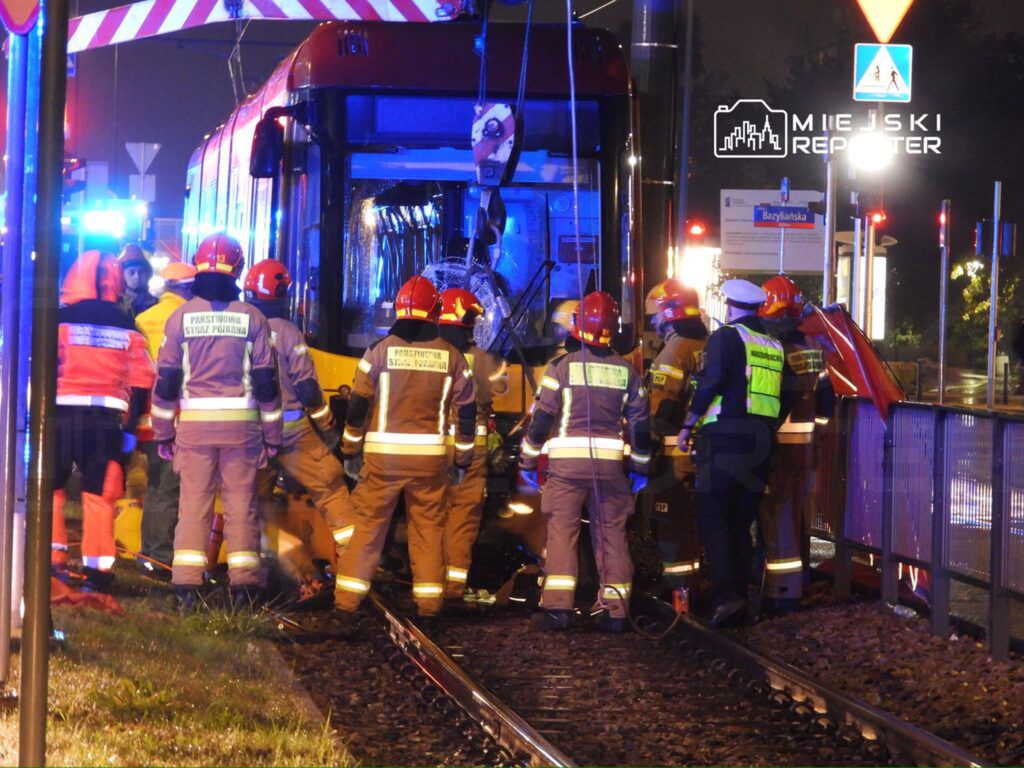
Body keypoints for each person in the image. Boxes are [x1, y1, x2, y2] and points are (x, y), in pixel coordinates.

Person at [151, 233, 283, 609]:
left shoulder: (179, 319)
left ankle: (186, 590)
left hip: (193, 429)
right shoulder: (253, 319)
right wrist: (272, 435)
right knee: (242, 507)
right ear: (237, 268)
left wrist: (162, 432)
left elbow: (166, 383)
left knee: (193, 506)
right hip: (243, 430)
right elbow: (266, 384)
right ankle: (243, 589)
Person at [334, 276, 476, 619]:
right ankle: (429, 607)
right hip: (430, 464)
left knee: (367, 530)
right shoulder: (454, 358)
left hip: (382, 461)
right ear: (435, 312)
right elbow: (467, 414)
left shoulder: (378, 352)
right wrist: (462, 460)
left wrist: (350, 450)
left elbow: (357, 406)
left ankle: (345, 605)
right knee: (428, 531)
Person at [519, 291, 652, 633]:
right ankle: (616, 611)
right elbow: (640, 426)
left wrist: (528, 460)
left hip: (566, 470)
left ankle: (558, 610)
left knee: (563, 532)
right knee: (612, 535)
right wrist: (639, 469)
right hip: (611, 470)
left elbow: (542, 419)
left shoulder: (560, 368)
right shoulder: (627, 372)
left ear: (578, 325)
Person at [676, 279, 784, 627]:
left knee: (714, 519)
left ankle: (726, 598)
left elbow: (711, 382)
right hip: (761, 441)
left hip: (726, 439)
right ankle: (743, 597)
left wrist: (687, 424)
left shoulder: (727, 337)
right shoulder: (772, 345)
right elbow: (787, 395)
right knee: (741, 523)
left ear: (731, 307)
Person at [242, 259, 350, 600]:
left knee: (252, 507)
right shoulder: (289, 333)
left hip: (252, 435)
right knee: (332, 492)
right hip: (294, 433)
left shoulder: (239, 329)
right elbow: (307, 388)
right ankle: (354, 573)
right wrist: (329, 430)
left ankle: (261, 579)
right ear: (284, 295)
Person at [52, 251, 156, 591]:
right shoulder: (127, 324)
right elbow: (142, 380)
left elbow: (37, 367)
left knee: (50, 490)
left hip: (58, 418)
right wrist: (131, 430)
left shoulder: (57, 319)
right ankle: (97, 572)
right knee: (100, 494)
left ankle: (52, 563)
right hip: (106, 423)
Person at [758, 275, 831, 614]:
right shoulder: (812, 346)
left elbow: (775, 399)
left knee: (777, 516)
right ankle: (798, 581)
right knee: (796, 515)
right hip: (805, 447)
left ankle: (781, 592)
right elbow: (826, 400)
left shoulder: (776, 348)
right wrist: (815, 435)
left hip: (780, 447)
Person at [643, 279, 708, 591]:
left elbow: (663, 408)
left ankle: (677, 588)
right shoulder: (708, 344)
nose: (653, 323)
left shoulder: (674, 350)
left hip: (675, 453)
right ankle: (693, 584)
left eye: (655, 316)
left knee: (671, 522)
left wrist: (648, 448)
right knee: (695, 520)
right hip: (705, 449)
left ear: (667, 313)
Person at [133, 261, 196, 575]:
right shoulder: (190, 319)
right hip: (178, 417)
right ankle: (157, 556)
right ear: (186, 288)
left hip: (147, 417)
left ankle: (152, 552)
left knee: (157, 486)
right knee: (169, 490)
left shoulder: (143, 319)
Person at [437, 287, 497, 599]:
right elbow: (491, 394)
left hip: (431, 449)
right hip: (470, 450)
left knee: (429, 515)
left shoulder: (430, 354)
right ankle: (454, 587)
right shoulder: (483, 360)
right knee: (462, 518)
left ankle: (428, 583)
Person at [118, 243, 157, 316]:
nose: (137, 276)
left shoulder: (156, 304)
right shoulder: (117, 305)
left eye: (141, 272)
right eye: (131, 273)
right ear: (122, 276)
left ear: (148, 274)